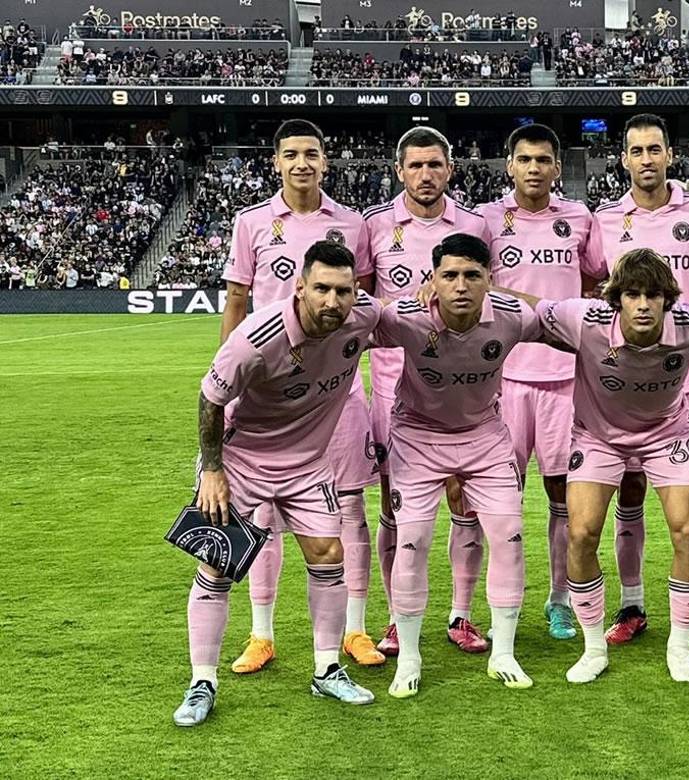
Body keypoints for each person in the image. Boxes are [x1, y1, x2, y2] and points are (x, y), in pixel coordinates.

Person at [502, 249, 689, 684]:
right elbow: (525, 305)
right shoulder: (584, 319)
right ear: (617, 299)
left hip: (668, 434)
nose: (643, 304)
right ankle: (593, 648)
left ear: (668, 299)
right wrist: (464, 290)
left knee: (687, 528)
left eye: (652, 295)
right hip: (598, 436)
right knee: (581, 531)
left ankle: (680, 646)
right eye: (632, 294)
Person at [174, 241, 381, 727]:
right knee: (218, 565)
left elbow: (408, 319)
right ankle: (202, 680)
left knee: (329, 554)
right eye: (322, 289)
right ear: (300, 287)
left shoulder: (362, 317)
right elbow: (209, 400)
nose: (333, 301)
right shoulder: (256, 338)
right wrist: (212, 470)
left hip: (308, 464)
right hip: (242, 460)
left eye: (343, 291)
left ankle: (327, 669)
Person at [220, 119, 382, 673]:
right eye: (291, 154)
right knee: (261, 513)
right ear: (276, 162)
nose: (302, 163)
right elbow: (238, 302)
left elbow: (366, 307)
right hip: (267, 393)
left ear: (326, 161)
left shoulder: (353, 225)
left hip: (337, 394)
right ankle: (260, 633)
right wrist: (231, 380)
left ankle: (355, 630)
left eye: (312, 153)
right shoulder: (251, 224)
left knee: (352, 509)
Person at [375, 233, 543, 696]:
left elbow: (568, 323)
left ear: (490, 279)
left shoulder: (511, 317)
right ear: (433, 280)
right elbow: (350, 324)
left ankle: (504, 653)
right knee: (411, 539)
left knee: (508, 536)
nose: (461, 285)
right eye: (449, 275)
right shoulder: (405, 318)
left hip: (484, 437)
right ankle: (409, 657)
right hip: (417, 435)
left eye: (472, 275)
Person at [593, 113, 689, 645]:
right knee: (628, 488)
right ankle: (632, 604)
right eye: (637, 150)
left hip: (684, 379)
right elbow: (595, 289)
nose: (646, 159)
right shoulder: (603, 220)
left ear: (670, 154)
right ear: (623, 159)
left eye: (655, 149)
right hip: (622, 383)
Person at [362, 127, 489, 656]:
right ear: (400, 171)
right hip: (395, 390)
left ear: (450, 169)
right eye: (415, 166)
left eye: (435, 164)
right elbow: (362, 306)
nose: (426, 174)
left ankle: (461, 614)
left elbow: (489, 296)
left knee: (466, 502)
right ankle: (397, 617)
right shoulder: (374, 227)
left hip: (463, 389)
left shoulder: (477, 225)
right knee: (396, 509)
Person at [478, 123, 606, 640]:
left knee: (561, 495)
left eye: (544, 160)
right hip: (504, 378)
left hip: (564, 378)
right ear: (509, 165)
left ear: (557, 167)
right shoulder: (488, 219)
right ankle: (500, 602)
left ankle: (558, 599)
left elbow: (597, 280)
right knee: (500, 497)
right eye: (525, 159)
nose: (534, 168)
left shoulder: (579, 218)